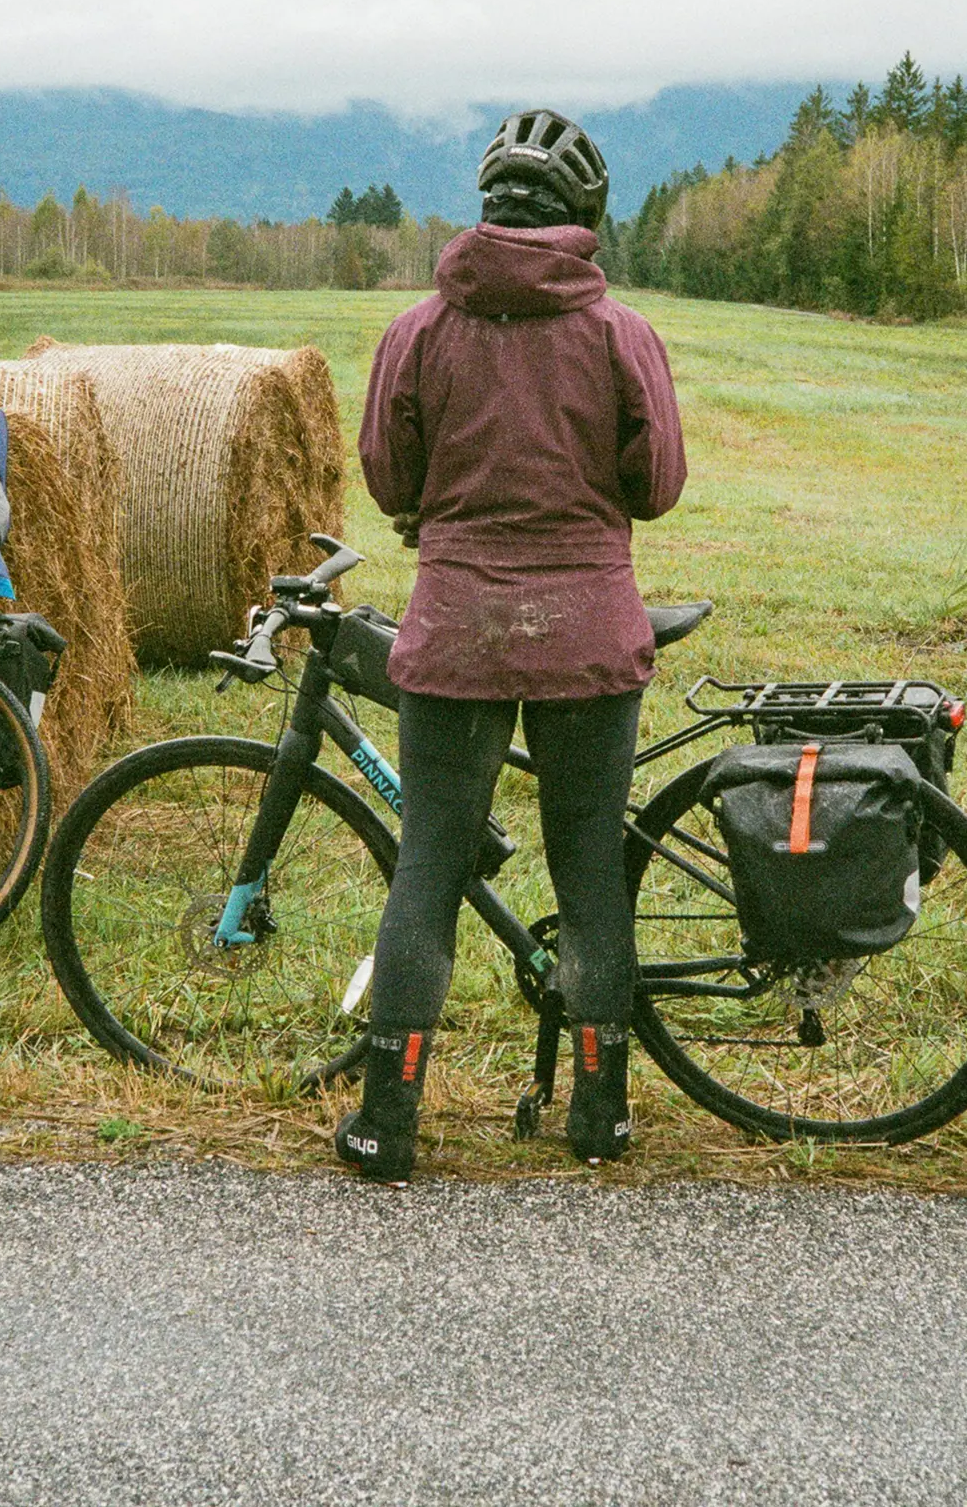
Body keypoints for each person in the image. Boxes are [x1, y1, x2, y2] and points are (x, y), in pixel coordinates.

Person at [336, 108, 687, 1183]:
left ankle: (386, 1122)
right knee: (589, 874)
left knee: (427, 869)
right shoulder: (620, 333)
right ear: (583, 216)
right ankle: (600, 1113)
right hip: (588, 630)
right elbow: (658, 484)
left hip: (456, 629)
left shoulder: (418, 331)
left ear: (485, 210)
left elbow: (389, 480)